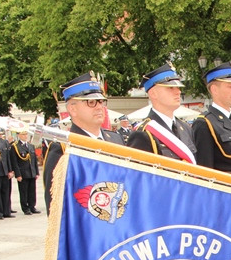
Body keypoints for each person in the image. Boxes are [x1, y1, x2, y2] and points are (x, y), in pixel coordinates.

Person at [44, 72, 124, 213]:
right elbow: (55, 208)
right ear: (72, 109)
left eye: (101, 101)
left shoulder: (116, 140)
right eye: (91, 102)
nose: (99, 107)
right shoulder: (63, 149)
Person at [192, 62, 231, 178]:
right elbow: (204, 171)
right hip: (225, 192)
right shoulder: (205, 123)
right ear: (214, 89)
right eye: (230, 86)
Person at [127, 63, 195, 163]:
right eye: (170, 88)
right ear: (153, 93)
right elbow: (139, 175)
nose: (178, 92)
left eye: (178, 88)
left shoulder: (186, 128)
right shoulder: (143, 134)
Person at [10, 128, 40, 214]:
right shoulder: (15, 147)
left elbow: (34, 160)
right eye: (23, 134)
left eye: (26, 134)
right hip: (23, 173)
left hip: (31, 172)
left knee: (32, 191)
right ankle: (25, 208)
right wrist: (18, 174)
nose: (25, 136)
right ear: (19, 135)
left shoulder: (30, 146)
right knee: (23, 191)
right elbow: (14, 162)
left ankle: (32, 206)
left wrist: (36, 172)